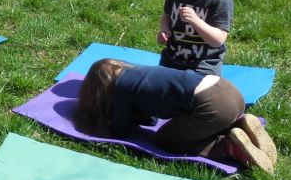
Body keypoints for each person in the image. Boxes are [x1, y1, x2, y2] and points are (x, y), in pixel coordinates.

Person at [73, 58, 277, 173]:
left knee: (166, 139)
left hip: (213, 107)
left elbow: (120, 130)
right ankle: (241, 125)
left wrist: (111, 119)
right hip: (229, 91)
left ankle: (229, 147)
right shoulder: (144, 72)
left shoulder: (121, 89)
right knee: (200, 121)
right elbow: (151, 118)